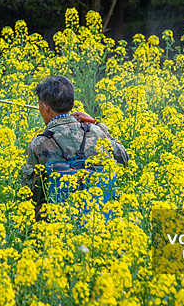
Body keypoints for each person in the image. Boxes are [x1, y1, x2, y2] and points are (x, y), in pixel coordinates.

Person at [21, 75, 128, 221]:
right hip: (99, 219)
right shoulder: (95, 132)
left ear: (45, 107)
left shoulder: (39, 143)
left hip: (57, 226)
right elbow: (123, 157)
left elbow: (31, 195)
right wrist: (95, 124)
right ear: (71, 104)